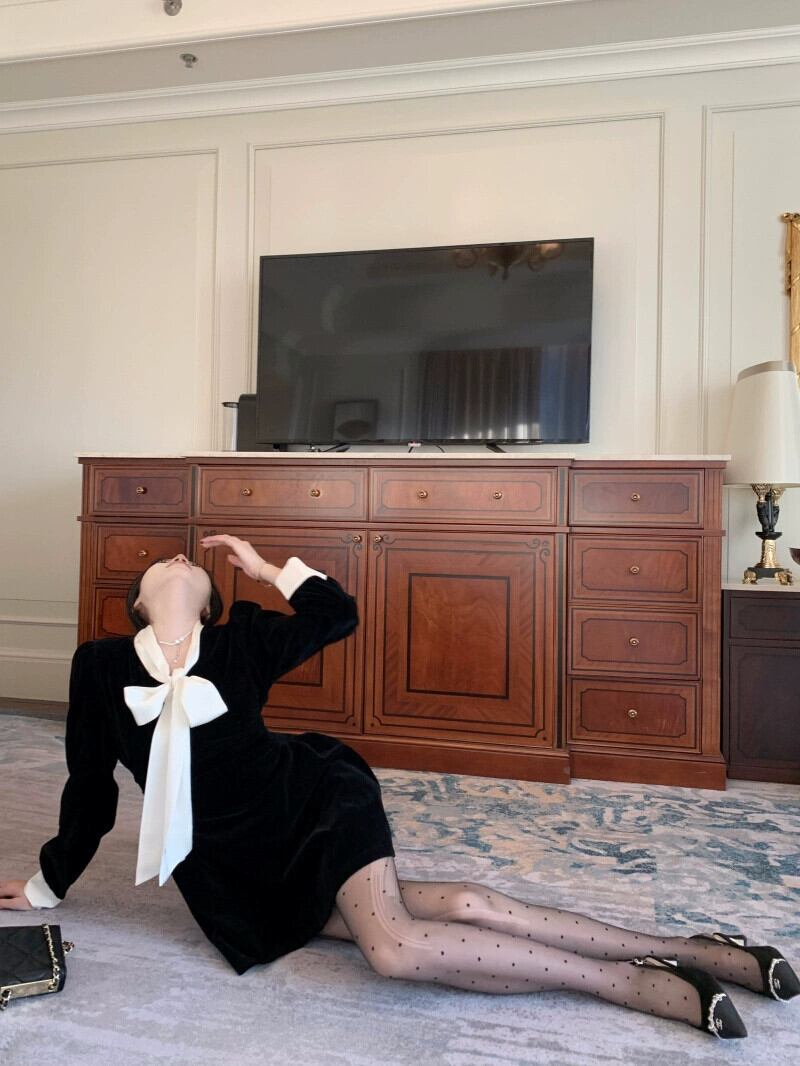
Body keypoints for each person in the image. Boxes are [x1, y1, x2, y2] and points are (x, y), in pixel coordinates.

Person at [1, 536, 797, 1039]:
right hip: (235, 875)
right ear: (137, 601)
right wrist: (47, 881)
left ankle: (642, 983)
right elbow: (88, 785)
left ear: (211, 602)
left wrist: (269, 570)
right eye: (165, 564)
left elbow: (337, 615)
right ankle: (699, 949)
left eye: (194, 566)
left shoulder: (245, 641)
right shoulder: (98, 667)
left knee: (393, 947)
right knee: (461, 904)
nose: (180, 562)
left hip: (313, 806)